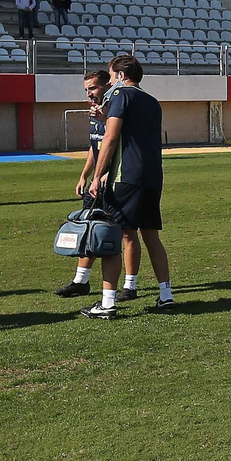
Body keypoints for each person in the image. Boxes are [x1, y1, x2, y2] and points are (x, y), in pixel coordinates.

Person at [83, 55, 176, 318]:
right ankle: (166, 295)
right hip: (152, 177)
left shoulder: (120, 96)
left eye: (111, 77)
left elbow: (111, 137)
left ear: (121, 76)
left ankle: (108, 302)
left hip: (125, 177)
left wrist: (97, 174)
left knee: (114, 235)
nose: (109, 81)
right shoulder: (152, 101)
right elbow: (132, 133)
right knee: (151, 236)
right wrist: (105, 118)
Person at [57, 70, 112, 298]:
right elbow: (95, 145)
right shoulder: (95, 111)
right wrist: (84, 175)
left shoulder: (114, 109)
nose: (89, 94)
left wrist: (107, 174)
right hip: (96, 180)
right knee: (88, 227)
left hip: (114, 180)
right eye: (87, 89)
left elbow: (117, 142)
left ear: (107, 85)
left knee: (118, 233)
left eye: (93, 88)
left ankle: (128, 285)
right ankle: (81, 281)